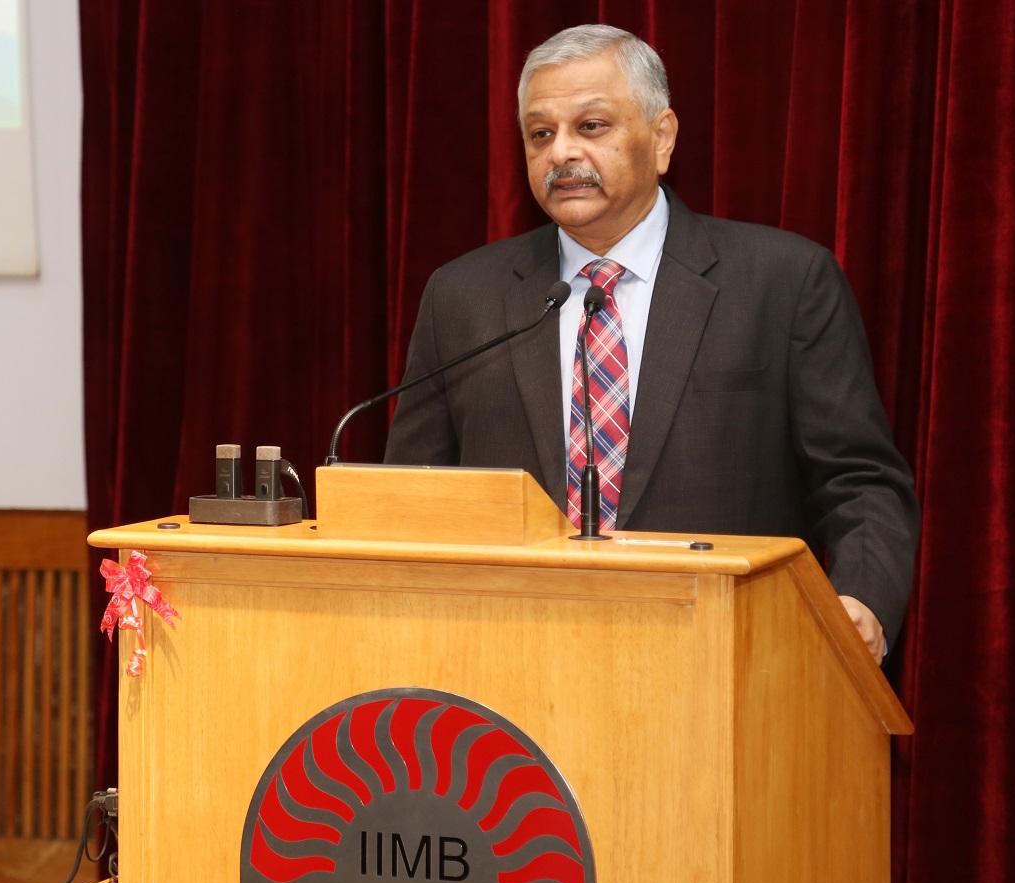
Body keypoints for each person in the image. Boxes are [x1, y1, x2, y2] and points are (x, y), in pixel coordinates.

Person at [384, 24, 919, 663]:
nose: (561, 155)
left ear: (662, 137)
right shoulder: (464, 296)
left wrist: (861, 600)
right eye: (541, 134)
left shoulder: (781, 281)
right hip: (509, 666)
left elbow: (860, 480)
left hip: (724, 661)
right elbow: (409, 496)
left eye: (592, 126)